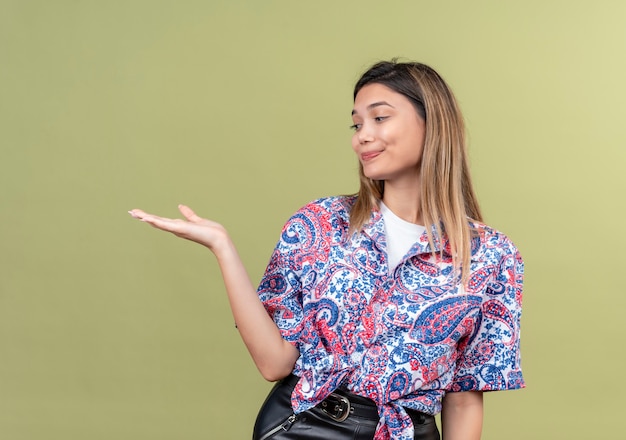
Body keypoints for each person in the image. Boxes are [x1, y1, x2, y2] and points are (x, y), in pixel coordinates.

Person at [129, 60, 524, 440]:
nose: (362, 136)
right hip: (302, 426)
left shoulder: (492, 256)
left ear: (432, 123)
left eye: (379, 118)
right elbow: (275, 363)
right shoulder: (318, 223)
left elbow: (465, 394)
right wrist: (223, 248)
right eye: (356, 124)